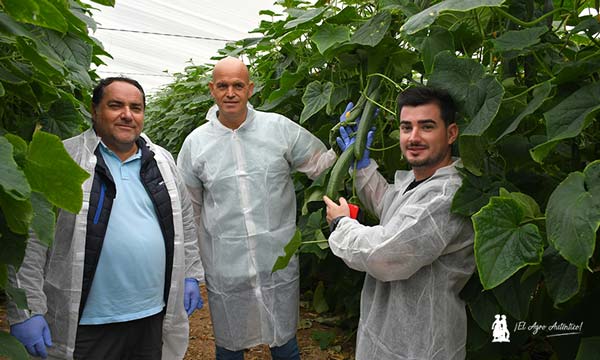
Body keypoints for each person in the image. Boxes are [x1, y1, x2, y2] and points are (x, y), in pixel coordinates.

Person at [7, 77, 205, 360]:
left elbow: (184, 222)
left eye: (136, 107)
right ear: (94, 110)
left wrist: (190, 275)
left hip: (150, 314)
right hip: (87, 322)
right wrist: (27, 309)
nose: (127, 114)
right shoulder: (64, 158)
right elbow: (31, 238)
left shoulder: (161, 160)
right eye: (116, 105)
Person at [177, 57, 336, 359]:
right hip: (225, 265)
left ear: (251, 89)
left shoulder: (278, 129)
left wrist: (347, 148)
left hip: (274, 261)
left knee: (285, 343)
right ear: (212, 90)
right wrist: (191, 270)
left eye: (238, 85)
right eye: (222, 86)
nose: (231, 93)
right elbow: (189, 211)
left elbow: (320, 165)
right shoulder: (196, 144)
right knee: (229, 346)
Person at [323, 86, 475, 360]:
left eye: (426, 127)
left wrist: (342, 225)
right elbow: (395, 211)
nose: (414, 137)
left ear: (451, 133)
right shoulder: (420, 183)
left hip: (421, 346)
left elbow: (384, 254)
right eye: (407, 127)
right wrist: (363, 168)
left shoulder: (447, 196)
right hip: (390, 336)